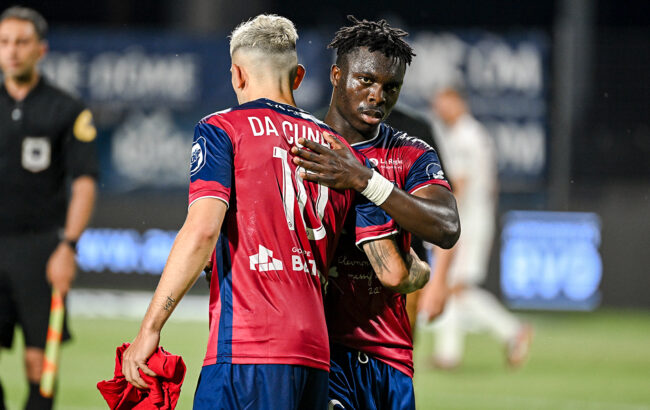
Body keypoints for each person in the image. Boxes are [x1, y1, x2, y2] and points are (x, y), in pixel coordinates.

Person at [121, 14, 419, 410]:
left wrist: (150, 327)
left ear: (237, 75)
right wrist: (423, 271)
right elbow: (394, 272)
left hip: (248, 347)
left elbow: (202, 231)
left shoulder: (222, 129)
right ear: (298, 77)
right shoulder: (343, 154)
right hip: (316, 355)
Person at [291, 16, 460, 410]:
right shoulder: (301, 146)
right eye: (366, 81)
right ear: (336, 75)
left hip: (388, 355)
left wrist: (367, 181)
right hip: (318, 349)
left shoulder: (410, 151)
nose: (377, 96)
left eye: (390, 87)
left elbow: (447, 226)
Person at [0, 6, 98, 410]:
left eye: (21, 42)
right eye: (4, 42)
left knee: (39, 365)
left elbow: (85, 182)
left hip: (41, 249)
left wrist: (68, 246)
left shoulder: (66, 109)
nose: (12, 51)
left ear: (41, 50)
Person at [418, 87, 533, 369]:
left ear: (458, 101)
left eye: (443, 103)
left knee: (456, 287)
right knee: (452, 286)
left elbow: (460, 184)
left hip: (467, 221)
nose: (438, 110)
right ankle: (450, 353)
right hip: (474, 217)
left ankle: (512, 331)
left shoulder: (464, 137)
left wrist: (440, 215)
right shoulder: (472, 134)